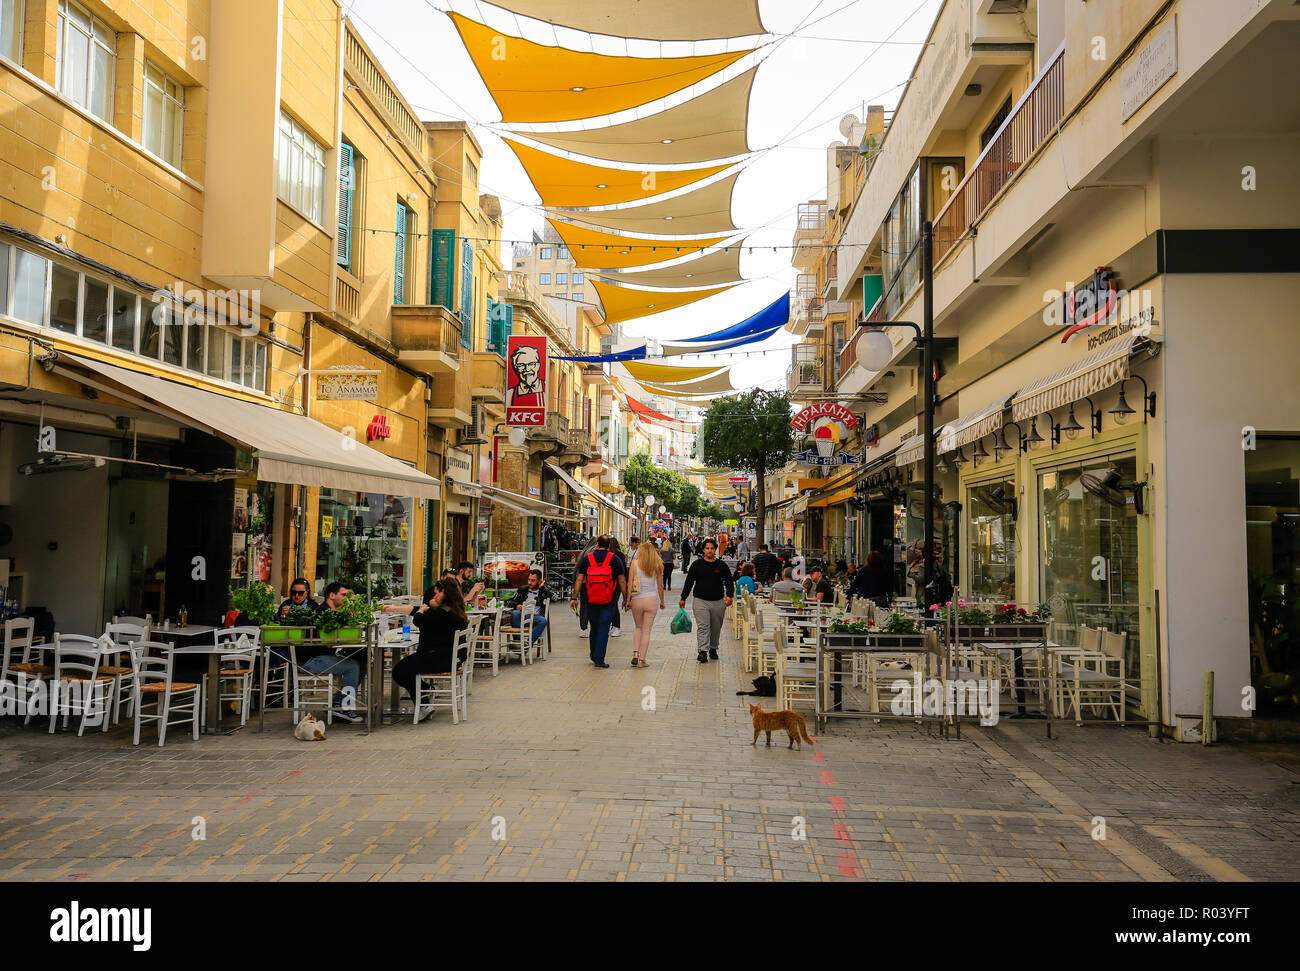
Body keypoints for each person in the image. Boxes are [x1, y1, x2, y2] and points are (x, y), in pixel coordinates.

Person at [391, 579, 470, 702]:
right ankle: (426, 692)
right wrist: (394, 609)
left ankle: (424, 700)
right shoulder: (454, 611)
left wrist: (421, 610)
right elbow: (423, 614)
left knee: (400, 671)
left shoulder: (441, 614)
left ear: (444, 592)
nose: (435, 596)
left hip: (439, 659)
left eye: (437, 593)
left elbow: (418, 620)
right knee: (407, 665)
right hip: (453, 658)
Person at [299, 581, 364, 723]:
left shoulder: (332, 612)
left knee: (361, 661)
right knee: (352, 666)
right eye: (344, 595)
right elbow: (329, 642)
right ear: (332, 595)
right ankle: (344, 708)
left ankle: (337, 703)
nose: (347, 598)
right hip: (312, 660)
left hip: (323, 657)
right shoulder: (323, 612)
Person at [570, 535, 627, 668]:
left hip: (591, 599)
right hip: (609, 600)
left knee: (594, 627)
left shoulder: (587, 559)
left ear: (596, 545)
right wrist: (626, 598)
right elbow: (622, 580)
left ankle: (594, 653)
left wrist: (574, 597)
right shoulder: (615, 559)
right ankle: (599, 659)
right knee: (604, 628)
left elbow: (579, 579)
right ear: (608, 546)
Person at [679, 538, 734, 664]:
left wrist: (729, 595)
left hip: (718, 601)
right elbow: (689, 582)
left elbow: (729, 581)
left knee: (716, 627)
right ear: (703, 550)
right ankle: (702, 651)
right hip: (700, 601)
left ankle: (713, 648)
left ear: (715, 550)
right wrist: (683, 597)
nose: (709, 551)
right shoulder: (697, 565)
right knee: (703, 626)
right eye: (707, 548)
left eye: (712, 548)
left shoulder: (721, 565)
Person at [625, 541, 665, 668]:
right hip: (651, 599)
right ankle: (642, 660)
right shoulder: (657, 564)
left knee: (638, 628)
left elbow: (629, 583)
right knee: (646, 631)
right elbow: (660, 586)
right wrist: (662, 601)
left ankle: (635, 653)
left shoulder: (634, 563)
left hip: (637, 599)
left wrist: (628, 600)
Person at [506, 568, 552, 646]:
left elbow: (555, 598)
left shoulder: (544, 591)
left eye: (533, 580)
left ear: (539, 581)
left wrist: (543, 588)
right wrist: (516, 605)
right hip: (522, 616)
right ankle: (518, 643)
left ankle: (527, 644)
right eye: (529, 580)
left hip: (535, 618)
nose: (529, 582)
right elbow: (509, 601)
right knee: (515, 613)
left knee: (543, 620)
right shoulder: (522, 589)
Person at [506, 343, 544, 408]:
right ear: (516, 368)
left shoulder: (547, 389)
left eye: (531, 364)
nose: (527, 369)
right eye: (521, 365)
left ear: (538, 365)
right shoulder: (510, 394)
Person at [607, 537, 626, 637]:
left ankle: (616, 626)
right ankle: (614, 626)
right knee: (612, 604)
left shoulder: (614, 555)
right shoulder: (620, 554)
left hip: (612, 583)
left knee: (613, 604)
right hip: (616, 583)